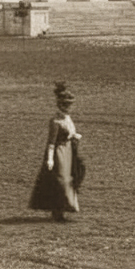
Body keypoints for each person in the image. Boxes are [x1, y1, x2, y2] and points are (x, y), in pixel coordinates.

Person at [29, 81, 83, 221]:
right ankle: (57, 210)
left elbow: (70, 132)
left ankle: (63, 208)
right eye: (67, 105)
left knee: (72, 176)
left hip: (69, 150)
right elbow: (51, 142)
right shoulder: (55, 121)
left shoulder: (67, 118)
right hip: (60, 152)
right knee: (61, 179)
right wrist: (50, 158)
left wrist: (74, 137)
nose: (69, 107)